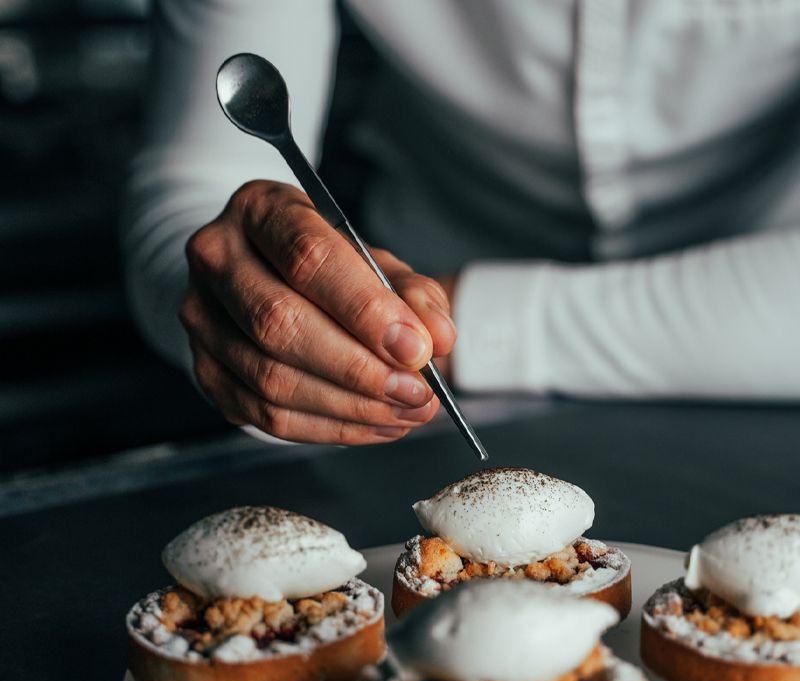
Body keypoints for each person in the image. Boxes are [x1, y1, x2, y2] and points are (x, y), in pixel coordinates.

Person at [123, 1, 800, 447]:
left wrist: (457, 320)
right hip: (396, 425)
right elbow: (195, 184)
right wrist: (252, 317)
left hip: (757, 390)